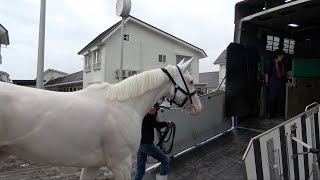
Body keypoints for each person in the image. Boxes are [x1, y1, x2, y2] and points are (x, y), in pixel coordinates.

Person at [134, 98, 172, 180]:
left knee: (140, 171)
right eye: (156, 109)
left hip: (140, 145)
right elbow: (156, 125)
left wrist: (165, 123)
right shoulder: (150, 113)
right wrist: (166, 123)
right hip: (147, 145)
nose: (156, 110)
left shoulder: (141, 113)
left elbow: (154, 124)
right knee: (165, 160)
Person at [265, 49, 287, 118]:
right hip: (273, 83)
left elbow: (283, 73)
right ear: (278, 56)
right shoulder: (271, 63)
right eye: (282, 55)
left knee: (280, 99)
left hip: (280, 84)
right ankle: (269, 113)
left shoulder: (281, 64)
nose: (283, 57)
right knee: (272, 99)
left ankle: (279, 114)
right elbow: (267, 74)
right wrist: (266, 83)